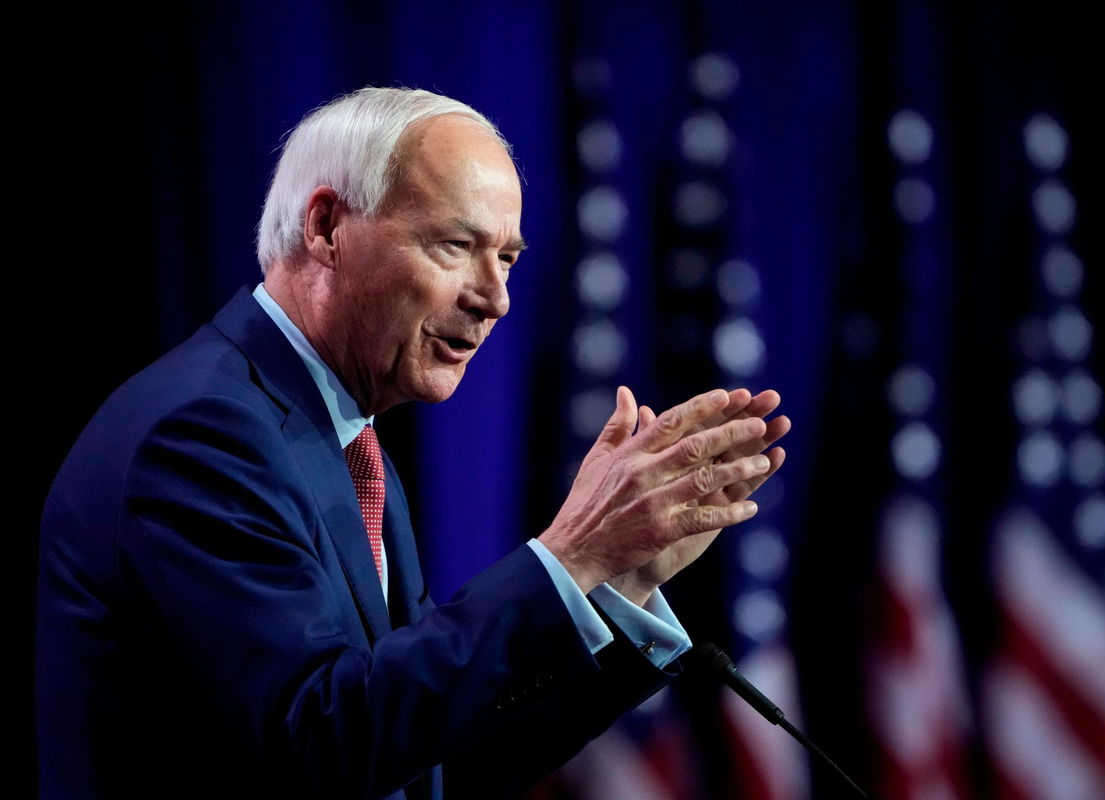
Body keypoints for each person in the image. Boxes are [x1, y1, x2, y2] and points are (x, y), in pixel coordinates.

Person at [36, 87, 789, 799]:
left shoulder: (344, 443)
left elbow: (427, 755)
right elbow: (325, 740)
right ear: (327, 226)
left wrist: (616, 583)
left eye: (508, 258)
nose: (494, 298)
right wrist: (573, 553)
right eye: (456, 245)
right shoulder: (202, 437)